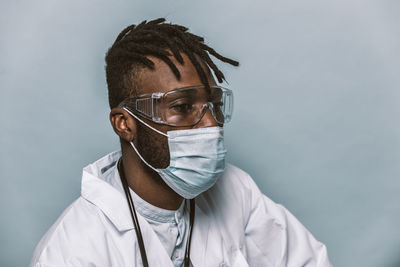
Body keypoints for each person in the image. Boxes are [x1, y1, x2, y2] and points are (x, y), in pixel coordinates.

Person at [30, 18, 333, 267]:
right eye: (182, 107)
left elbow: (308, 261)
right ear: (125, 124)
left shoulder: (237, 192)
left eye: (213, 105)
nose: (211, 123)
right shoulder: (71, 253)